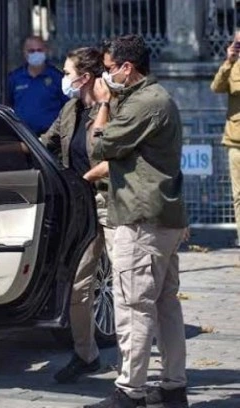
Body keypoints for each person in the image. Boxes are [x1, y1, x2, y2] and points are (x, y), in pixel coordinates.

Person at [84, 34, 188, 408]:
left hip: (142, 219)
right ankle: (173, 386)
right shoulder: (154, 98)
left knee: (134, 306)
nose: (106, 76)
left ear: (127, 68)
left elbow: (100, 145)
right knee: (164, 306)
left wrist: (102, 104)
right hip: (161, 217)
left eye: (109, 69)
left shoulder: (145, 103)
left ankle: (130, 391)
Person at [40, 46, 115, 384]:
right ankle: (86, 355)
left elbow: (114, 156)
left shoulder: (114, 107)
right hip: (82, 208)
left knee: (129, 286)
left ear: (84, 77)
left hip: (112, 202)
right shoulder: (71, 109)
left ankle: (135, 367)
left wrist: (87, 177)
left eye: (68, 73)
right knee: (78, 286)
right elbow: (46, 144)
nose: (63, 78)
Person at [210, 29, 240, 247]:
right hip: (236, 142)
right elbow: (216, 87)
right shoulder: (232, 67)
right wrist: (228, 61)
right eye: (238, 42)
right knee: (239, 196)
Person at [7, 35, 69, 136]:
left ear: (46, 51)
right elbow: (8, 104)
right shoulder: (15, 78)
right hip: (22, 136)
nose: (36, 53)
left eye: (39, 50)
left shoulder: (57, 77)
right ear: (24, 53)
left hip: (50, 137)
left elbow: (67, 107)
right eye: (31, 51)